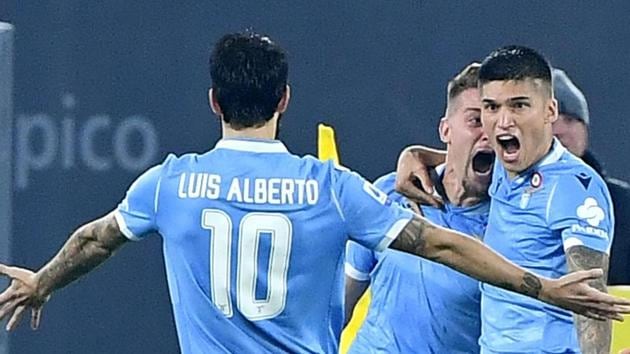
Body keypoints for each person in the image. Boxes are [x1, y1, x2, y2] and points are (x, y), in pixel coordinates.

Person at [0, 35, 627, 353]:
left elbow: (94, 238)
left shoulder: (170, 182)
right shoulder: (331, 190)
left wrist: (42, 282)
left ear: (214, 102)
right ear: (285, 102)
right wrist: (540, 286)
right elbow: (439, 243)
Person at [395, 46, 619, 354]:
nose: (503, 122)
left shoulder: (575, 188)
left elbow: (590, 301)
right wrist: (413, 155)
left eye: (519, 106)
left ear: (549, 111)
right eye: (491, 107)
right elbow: (460, 156)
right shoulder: (504, 165)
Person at [344, 63, 493, 353]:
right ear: (445, 130)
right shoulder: (390, 191)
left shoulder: (512, 221)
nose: (487, 133)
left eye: (494, 123)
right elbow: (341, 303)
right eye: (475, 121)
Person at [552, 68, 630, 285]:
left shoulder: (623, 204)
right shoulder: (505, 200)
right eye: (550, 120)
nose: (559, 130)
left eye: (570, 119)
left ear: (585, 130)